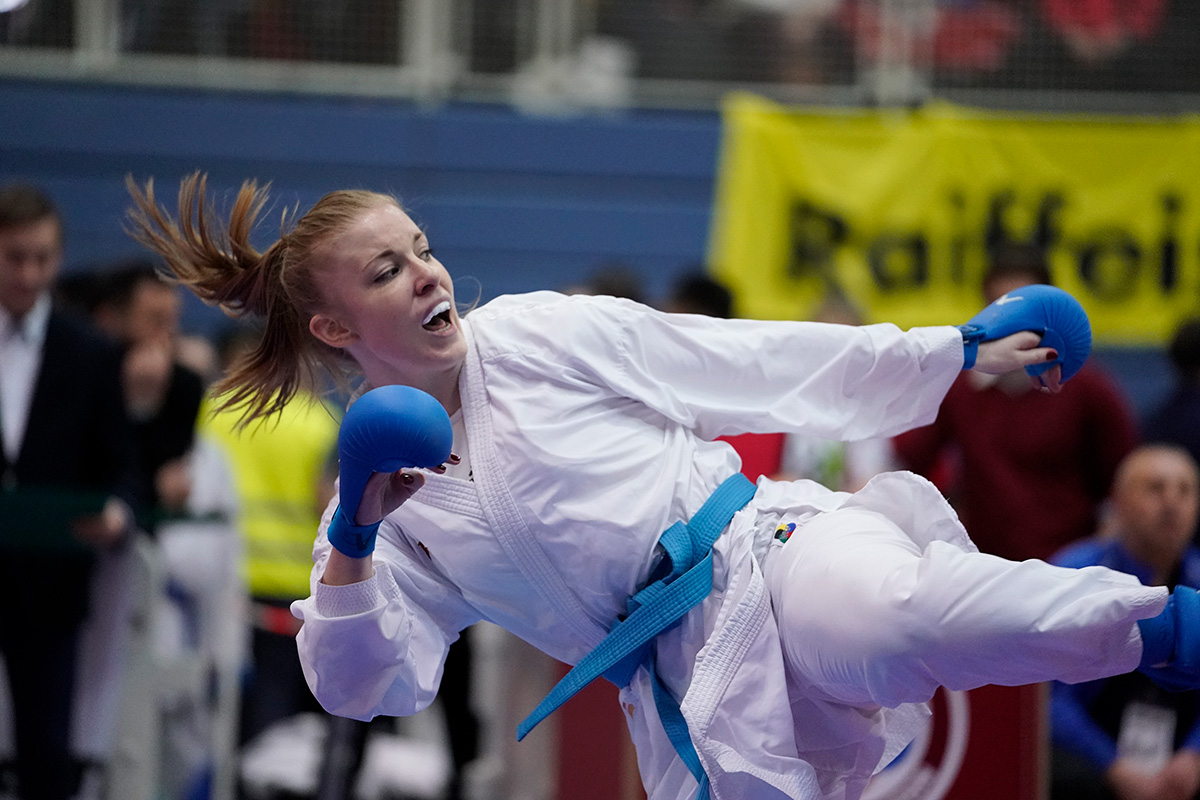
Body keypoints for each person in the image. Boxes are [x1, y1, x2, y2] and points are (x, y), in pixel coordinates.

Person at [126, 171, 1199, 800]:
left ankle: (1162, 626)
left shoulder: (536, 333)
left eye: (421, 248)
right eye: (387, 271)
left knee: (895, 618)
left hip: (764, 548)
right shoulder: (380, 509)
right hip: (677, 687)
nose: (427, 273)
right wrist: (358, 540)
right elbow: (367, 685)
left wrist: (954, 351)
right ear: (332, 327)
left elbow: (747, 360)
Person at [0, 184, 143, 800]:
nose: (29, 274)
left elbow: (123, 466)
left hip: (50, 580)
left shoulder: (88, 352)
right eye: (15, 257)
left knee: (45, 747)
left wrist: (117, 513)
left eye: (42, 259)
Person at [892, 243, 1139, 562]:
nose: (1009, 324)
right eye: (998, 309)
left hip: (1067, 569)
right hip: (986, 567)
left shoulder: (1089, 389)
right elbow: (906, 462)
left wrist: (1097, 555)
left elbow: (1124, 483)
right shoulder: (959, 389)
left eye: (1023, 312)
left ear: (1050, 312)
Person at [1050, 445, 1200, 800]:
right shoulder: (1074, 574)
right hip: (1091, 759)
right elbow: (1047, 700)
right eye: (1155, 488)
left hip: (1181, 760)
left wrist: (1194, 754)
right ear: (1118, 503)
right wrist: (1113, 766)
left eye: (1184, 490)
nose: (1172, 502)